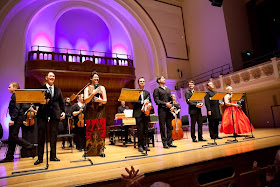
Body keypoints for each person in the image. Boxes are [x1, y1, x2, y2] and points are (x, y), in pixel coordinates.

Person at [34, 72, 65, 165]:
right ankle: (40, 158)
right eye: (50, 76)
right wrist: (41, 103)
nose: (52, 77)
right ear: (46, 78)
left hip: (54, 115)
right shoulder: (40, 89)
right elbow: (35, 102)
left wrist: (63, 112)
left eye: (53, 76)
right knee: (41, 137)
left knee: (53, 137)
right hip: (42, 115)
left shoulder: (58, 90)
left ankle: (53, 156)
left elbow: (61, 103)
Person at [0, 82, 36, 163]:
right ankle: (9, 156)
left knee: (13, 136)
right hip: (18, 118)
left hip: (16, 119)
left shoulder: (16, 95)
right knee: (11, 138)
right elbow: (21, 108)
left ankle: (30, 146)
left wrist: (13, 119)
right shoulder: (16, 95)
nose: (8, 88)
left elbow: (17, 108)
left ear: (15, 88)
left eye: (10, 87)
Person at [84, 71, 107, 157]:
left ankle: (101, 150)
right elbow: (86, 100)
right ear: (91, 79)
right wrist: (93, 94)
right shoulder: (87, 88)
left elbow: (105, 101)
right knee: (90, 131)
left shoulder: (102, 88)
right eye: (95, 77)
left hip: (100, 110)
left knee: (100, 130)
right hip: (90, 110)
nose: (97, 79)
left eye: (98, 77)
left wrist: (99, 100)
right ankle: (89, 151)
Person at [153, 76, 176, 149]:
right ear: (159, 81)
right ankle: (164, 143)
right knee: (162, 127)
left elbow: (171, 100)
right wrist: (165, 104)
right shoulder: (156, 90)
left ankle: (170, 142)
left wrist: (172, 106)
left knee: (169, 127)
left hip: (168, 110)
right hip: (162, 110)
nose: (164, 79)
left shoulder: (168, 89)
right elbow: (157, 101)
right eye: (162, 78)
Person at [132, 77, 152, 152]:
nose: (142, 82)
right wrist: (141, 102)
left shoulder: (147, 93)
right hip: (138, 113)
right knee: (140, 130)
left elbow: (150, 101)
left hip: (145, 113)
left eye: (143, 81)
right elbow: (133, 102)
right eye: (140, 81)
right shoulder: (135, 92)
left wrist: (149, 104)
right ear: (138, 83)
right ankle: (140, 145)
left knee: (145, 130)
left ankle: (145, 145)